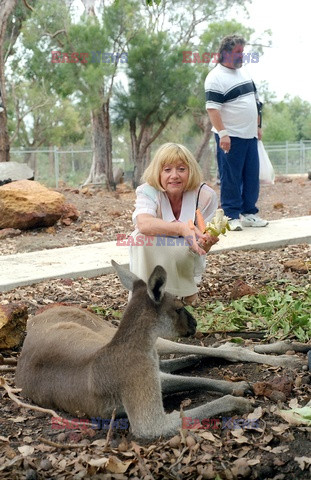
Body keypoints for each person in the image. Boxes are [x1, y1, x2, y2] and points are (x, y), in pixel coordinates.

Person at [129, 142, 219, 305]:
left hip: (187, 251)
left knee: (184, 246)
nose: (174, 175)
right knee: (138, 238)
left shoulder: (205, 196)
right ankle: (145, 294)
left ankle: (187, 290)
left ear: (190, 171)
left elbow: (201, 245)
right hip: (158, 244)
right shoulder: (147, 190)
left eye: (181, 169)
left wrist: (207, 243)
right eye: (167, 169)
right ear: (158, 172)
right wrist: (180, 228)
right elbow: (143, 223)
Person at [204, 34, 268, 231]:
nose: (242, 55)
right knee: (230, 177)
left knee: (251, 176)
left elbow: (256, 102)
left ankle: (249, 213)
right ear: (225, 53)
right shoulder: (215, 78)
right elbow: (212, 109)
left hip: (249, 136)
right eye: (238, 52)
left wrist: (258, 126)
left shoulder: (244, 73)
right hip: (230, 137)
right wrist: (223, 133)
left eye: (243, 51)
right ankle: (231, 216)